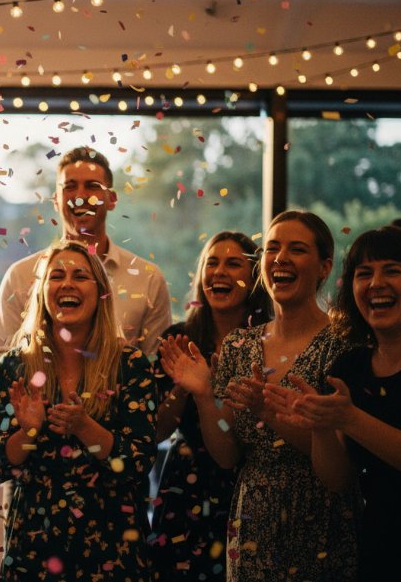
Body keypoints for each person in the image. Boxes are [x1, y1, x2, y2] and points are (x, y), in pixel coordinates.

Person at [161, 211, 359, 581]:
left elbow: (340, 470)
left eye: (296, 249)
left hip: (320, 516)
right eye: (272, 249)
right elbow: (227, 454)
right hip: (252, 518)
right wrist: (205, 396)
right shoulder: (241, 343)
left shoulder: (345, 345)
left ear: (323, 266)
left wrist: (269, 412)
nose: (280, 258)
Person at [0, 240, 158, 581]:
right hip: (34, 549)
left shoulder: (130, 365)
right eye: (56, 276)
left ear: (101, 292)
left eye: (80, 275)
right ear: (42, 292)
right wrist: (28, 432)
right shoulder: (15, 366)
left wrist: (83, 426)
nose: (67, 284)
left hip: (112, 550)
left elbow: (138, 462)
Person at [265, 225, 401, 581]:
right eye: (363, 273)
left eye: (393, 270)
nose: (375, 284)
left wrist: (350, 419)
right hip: (379, 548)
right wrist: (321, 426)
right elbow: (338, 479)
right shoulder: (351, 366)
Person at [0, 145, 172, 386]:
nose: (81, 196)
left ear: (111, 199)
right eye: (70, 187)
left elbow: (158, 376)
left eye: (92, 186)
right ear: (55, 200)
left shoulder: (148, 278)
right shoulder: (20, 276)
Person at [150, 232, 270, 581]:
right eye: (211, 263)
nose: (219, 272)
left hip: (249, 484)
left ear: (254, 279)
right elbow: (157, 431)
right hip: (186, 487)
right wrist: (184, 387)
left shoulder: (268, 340)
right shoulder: (179, 337)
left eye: (233, 264)